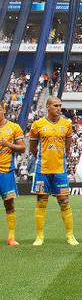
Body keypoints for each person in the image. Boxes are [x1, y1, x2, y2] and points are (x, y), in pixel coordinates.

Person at [29, 95, 76, 247]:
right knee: (41, 201)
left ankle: (70, 236)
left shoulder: (67, 124)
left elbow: (68, 146)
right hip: (42, 168)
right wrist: (42, 158)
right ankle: (39, 236)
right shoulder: (38, 124)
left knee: (64, 201)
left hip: (60, 169)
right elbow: (33, 147)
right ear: (47, 107)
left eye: (60, 105)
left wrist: (60, 156)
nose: (58, 108)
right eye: (55, 105)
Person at [0, 102, 25, 246]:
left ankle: (11, 237)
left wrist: (8, 145)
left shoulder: (14, 127)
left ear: (3, 110)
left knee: (9, 204)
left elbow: (22, 148)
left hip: (6, 172)